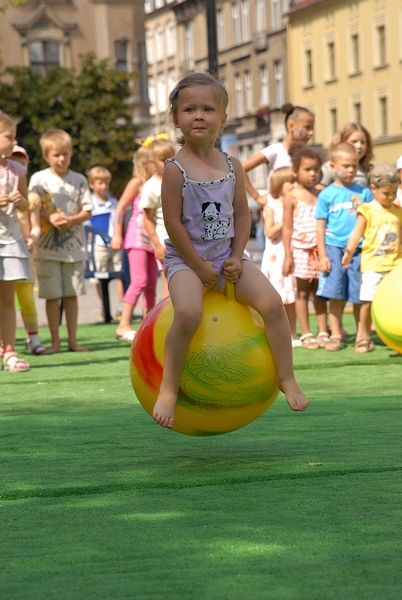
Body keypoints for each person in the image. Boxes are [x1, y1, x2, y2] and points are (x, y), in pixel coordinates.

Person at [152, 72, 308, 429]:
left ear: (222, 119)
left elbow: (241, 217)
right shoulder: (174, 169)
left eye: (208, 109)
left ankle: (286, 376)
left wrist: (236, 257)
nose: (199, 116)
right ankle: (169, 388)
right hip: (186, 262)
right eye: (189, 109)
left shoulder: (233, 166)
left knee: (272, 305)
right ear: (176, 119)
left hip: (228, 259)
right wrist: (199, 267)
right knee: (189, 313)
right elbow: (174, 226)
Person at [28, 129, 93, 353]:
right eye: (56, 154)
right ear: (46, 156)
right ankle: (55, 341)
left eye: (65, 153)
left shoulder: (79, 180)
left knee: (72, 295)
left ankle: (72, 341)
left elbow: (88, 211)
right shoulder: (38, 179)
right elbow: (31, 209)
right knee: (53, 296)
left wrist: (71, 219)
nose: (61, 159)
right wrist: (50, 217)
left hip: (74, 250)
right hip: (46, 250)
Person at [315, 142, 373, 351]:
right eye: (345, 165)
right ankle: (336, 334)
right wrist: (322, 255)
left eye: (354, 166)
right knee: (335, 293)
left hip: (359, 249)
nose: (350, 170)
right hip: (333, 249)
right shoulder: (326, 194)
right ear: (332, 166)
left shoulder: (365, 193)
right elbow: (320, 227)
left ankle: (362, 335)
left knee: (360, 294)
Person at [342, 164, 402, 353]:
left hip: (395, 265)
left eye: (394, 192)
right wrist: (349, 251)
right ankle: (363, 335)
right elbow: (356, 234)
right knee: (367, 301)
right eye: (387, 193)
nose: (391, 197)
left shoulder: (398, 211)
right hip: (373, 265)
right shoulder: (366, 210)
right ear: (373, 189)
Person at [282, 144, 329, 349]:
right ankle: (306, 333)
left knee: (319, 291)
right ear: (295, 172)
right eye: (307, 169)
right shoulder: (291, 196)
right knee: (301, 292)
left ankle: (323, 331)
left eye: (316, 169)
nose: (313, 174)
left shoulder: (323, 193)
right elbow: (286, 228)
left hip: (321, 250)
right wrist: (287, 255)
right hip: (300, 250)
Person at [111, 146, 158, 343]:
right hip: (137, 237)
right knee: (139, 280)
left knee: (151, 284)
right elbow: (120, 208)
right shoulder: (137, 183)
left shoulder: (156, 184)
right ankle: (123, 325)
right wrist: (116, 234)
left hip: (153, 238)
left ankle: (148, 324)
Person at [10, 146, 51, 355]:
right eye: (14, 161)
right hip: (5, 253)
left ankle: (33, 338)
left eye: (22, 163)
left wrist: (33, 238)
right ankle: (5, 342)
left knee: (27, 299)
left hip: (25, 255)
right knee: (4, 300)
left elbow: (35, 225)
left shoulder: (31, 199)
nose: (18, 166)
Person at [0, 113, 31, 371]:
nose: (14, 141)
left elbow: (26, 203)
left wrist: (18, 200)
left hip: (10, 241)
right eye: (9, 137)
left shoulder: (17, 169)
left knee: (8, 299)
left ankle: (9, 349)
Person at [242, 103, 315, 207]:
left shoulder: (308, 154)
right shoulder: (275, 150)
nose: (311, 132)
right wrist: (257, 197)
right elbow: (240, 169)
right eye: (307, 128)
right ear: (291, 126)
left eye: (312, 128)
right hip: (277, 213)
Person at [260, 166, 300, 346]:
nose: (293, 185)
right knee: (278, 295)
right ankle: (277, 333)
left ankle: (293, 332)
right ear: (278, 184)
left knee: (292, 296)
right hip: (276, 256)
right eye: (289, 182)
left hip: (292, 252)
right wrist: (286, 220)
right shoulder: (272, 204)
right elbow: (269, 231)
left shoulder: (296, 201)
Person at [139, 138, 176, 300]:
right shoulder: (151, 186)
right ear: (152, 161)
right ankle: (163, 323)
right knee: (170, 287)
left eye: (172, 158)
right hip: (165, 242)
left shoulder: (180, 178)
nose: (168, 163)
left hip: (186, 240)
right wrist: (157, 244)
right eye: (163, 160)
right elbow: (148, 219)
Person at [86, 166, 124, 322]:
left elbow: (118, 222)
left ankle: (121, 307)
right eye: (100, 183)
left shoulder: (114, 203)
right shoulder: (89, 203)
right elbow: (87, 226)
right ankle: (104, 306)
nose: (103, 186)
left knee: (120, 274)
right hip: (98, 246)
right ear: (92, 184)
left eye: (106, 183)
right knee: (99, 276)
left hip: (115, 244)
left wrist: (117, 237)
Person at [319, 122, 374, 189]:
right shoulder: (330, 167)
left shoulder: (367, 169)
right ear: (341, 142)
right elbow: (320, 190)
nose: (359, 146)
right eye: (354, 141)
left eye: (362, 142)